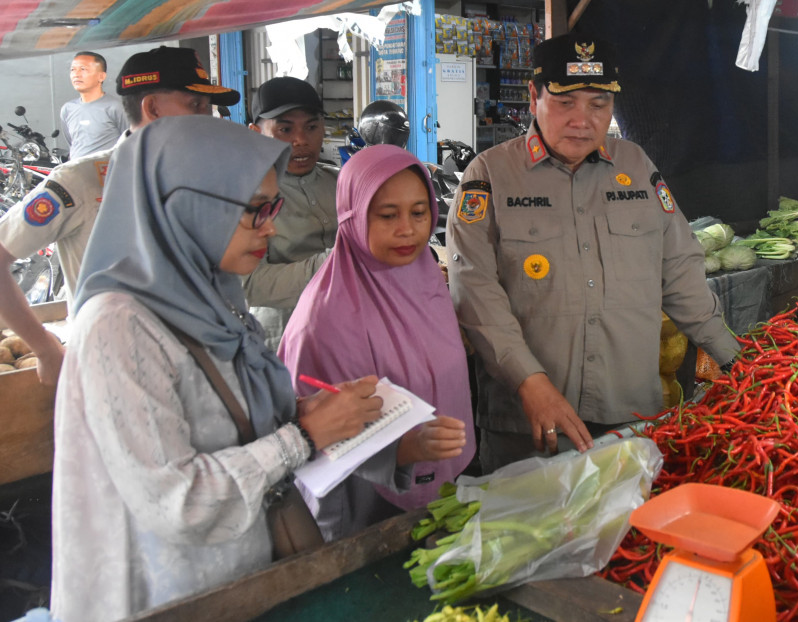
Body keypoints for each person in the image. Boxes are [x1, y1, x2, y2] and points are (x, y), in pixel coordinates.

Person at [50, 115, 382, 622]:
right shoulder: (119, 328)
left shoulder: (213, 297)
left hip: (241, 582)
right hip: (159, 598)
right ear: (186, 205)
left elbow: (228, 428)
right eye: (255, 211)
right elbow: (177, 501)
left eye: (274, 207)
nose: (271, 226)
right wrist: (302, 435)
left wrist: (305, 414)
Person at [447, 33, 740, 473]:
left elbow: (680, 270)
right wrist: (529, 380)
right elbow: (473, 291)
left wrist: (736, 359)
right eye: (566, 102)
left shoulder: (637, 166)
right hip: (531, 426)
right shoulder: (490, 175)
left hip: (632, 415)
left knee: (632, 538)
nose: (583, 120)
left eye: (599, 104)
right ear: (534, 96)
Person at [0, 45, 238, 385]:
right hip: (114, 376)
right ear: (153, 108)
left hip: (195, 370)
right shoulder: (81, 181)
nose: (207, 116)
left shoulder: (201, 176)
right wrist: (45, 348)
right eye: (196, 104)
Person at [280, 145, 473, 539]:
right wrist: (403, 450)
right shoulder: (323, 320)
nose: (407, 229)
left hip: (443, 486)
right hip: (364, 510)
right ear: (351, 216)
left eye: (419, 213)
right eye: (387, 216)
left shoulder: (425, 279)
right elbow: (310, 442)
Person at [243, 77, 337, 350]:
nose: (301, 141)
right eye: (285, 129)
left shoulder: (341, 182)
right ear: (256, 132)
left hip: (346, 330)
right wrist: (334, 265)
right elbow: (250, 284)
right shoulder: (245, 195)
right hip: (282, 338)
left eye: (311, 127)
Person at [59, 51, 127, 159]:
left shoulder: (115, 107)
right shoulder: (67, 109)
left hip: (106, 173)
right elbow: (72, 144)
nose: (76, 74)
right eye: (73, 69)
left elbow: (130, 143)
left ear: (101, 76)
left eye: (83, 69)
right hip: (77, 173)